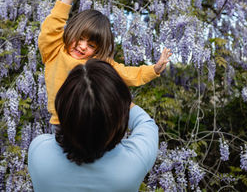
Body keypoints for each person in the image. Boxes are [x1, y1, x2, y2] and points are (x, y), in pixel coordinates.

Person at [38, 0, 172, 125]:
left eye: (91, 45)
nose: (82, 46)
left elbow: (126, 74)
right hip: (60, 122)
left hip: (89, 122)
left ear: (98, 48)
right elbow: (51, 27)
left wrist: (154, 69)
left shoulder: (97, 63)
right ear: (71, 31)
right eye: (80, 39)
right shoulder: (54, 51)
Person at [28, 59, 159, 192]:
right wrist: (117, 99)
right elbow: (145, 122)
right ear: (120, 113)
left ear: (62, 107)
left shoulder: (39, 151)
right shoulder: (134, 163)